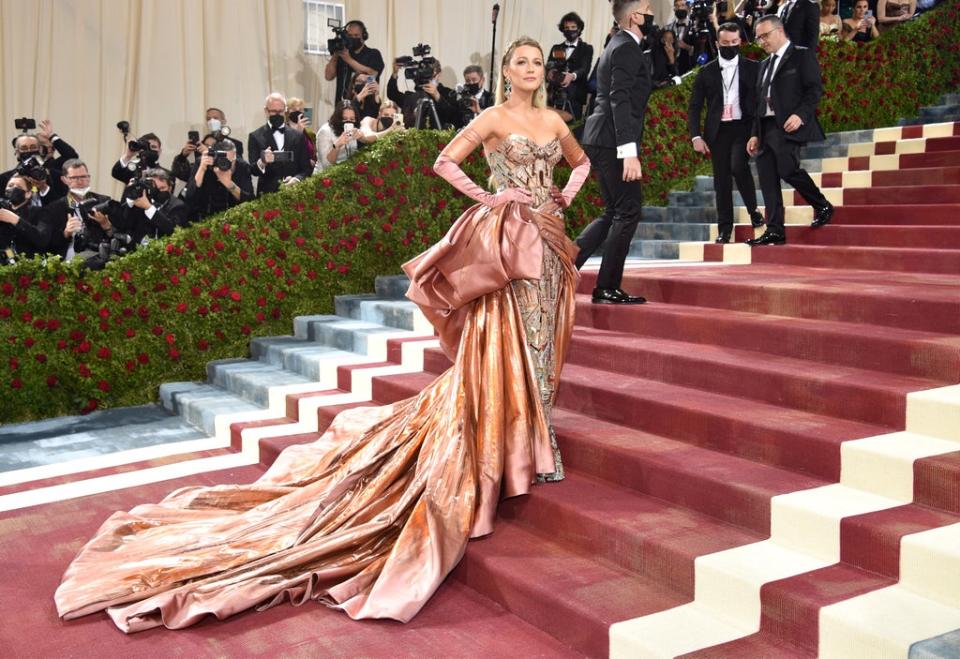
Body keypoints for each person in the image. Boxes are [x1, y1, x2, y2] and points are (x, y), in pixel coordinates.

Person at [54, 36, 592, 634]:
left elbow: (582, 162)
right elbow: (443, 162)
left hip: (549, 236)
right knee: (507, 338)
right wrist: (494, 195)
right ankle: (515, 443)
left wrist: (562, 197)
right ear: (505, 71)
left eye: (537, 63)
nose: (529, 69)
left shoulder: (553, 118)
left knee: (547, 335)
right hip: (506, 237)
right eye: (519, 61)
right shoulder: (492, 117)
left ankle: (538, 439)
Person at [575, 0, 653, 305]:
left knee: (614, 210)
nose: (651, 14)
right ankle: (606, 286)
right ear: (635, 16)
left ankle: (566, 267)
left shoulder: (618, 44)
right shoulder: (625, 47)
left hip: (602, 136)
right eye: (647, 8)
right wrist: (629, 151)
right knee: (628, 210)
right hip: (611, 139)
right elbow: (620, 100)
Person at [747, 15, 833, 246]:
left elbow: (814, 90)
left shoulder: (801, 55)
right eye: (758, 38)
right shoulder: (763, 65)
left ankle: (821, 204)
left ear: (780, 30)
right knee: (766, 178)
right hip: (764, 127)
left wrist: (800, 115)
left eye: (765, 36)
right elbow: (758, 103)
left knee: (786, 169)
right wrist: (754, 133)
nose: (762, 42)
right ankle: (775, 230)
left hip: (786, 125)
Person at [689, 23, 764, 244]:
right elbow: (694, 106)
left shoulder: (753, 68)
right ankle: (725, 229)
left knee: (738, 166)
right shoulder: (706, 72)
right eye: (725, 43)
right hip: (717, 131)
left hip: (743, 127)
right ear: (716, 44)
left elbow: (760, 103)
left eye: (734, 43)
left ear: (740, 42)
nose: (730, 46)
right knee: (721, 180)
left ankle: (753, 211)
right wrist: (696, 136)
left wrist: (756, 132)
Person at [42, 159, 121, 265]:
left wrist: (106, 225)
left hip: (99, 263)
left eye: (84, 177)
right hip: (65, 266)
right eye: (74, 178)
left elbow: (119, 237)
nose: (80, 181)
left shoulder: (104, 202)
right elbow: (47, 244)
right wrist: (66, 233)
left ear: (89, 178)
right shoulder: (54, 208)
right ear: (64, 179)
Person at [247, 93, 313, 196]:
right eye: (273, 111)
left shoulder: (298, 136)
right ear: (266, 111)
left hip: (295, 194)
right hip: (267, 195)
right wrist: (262, 161)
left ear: (285, 110)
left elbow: (307, 168)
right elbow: (252, 170)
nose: (277, 114)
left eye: (281, 111)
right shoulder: (255, 136)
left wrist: (297, 179)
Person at [184, 139, 254, 221]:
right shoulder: (203, 163)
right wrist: (202, 169)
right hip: (206, 218)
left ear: (235, 156)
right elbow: (190, 198)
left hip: (234, 218)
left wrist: (229, 184)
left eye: (230, 162)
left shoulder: (241, 166)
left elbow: (250, 201)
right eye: (222, 160)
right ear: (214, 156)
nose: (225, 165)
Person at [117, 168, 189, 246]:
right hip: (136, 250)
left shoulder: (178, 205)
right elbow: (125, 225)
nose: (158, 191)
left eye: (162, 188)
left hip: (162, 251)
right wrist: (130, 201)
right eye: (155, 188)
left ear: (170, 188)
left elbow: (172, 230)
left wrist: (148, 207)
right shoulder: (142, 198)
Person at [546, 12, 594, 120]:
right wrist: (551, 73)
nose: (570, 30)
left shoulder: (586, 48)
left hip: (575, 98)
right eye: (566, 28)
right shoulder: (556, 48)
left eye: (573, 27)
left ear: (579, 29)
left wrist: (572, 76)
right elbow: (549, 66)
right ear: (563, 30)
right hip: (554, 97)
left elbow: (584, 69)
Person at [387, 57, 458, 129]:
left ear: (439, 74)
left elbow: (452, 116)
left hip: (437, 136)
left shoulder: (448, 93)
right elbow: (392, 94)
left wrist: (437, 96)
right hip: (411, 137)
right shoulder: (412, 97)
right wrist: (395, 73)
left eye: (429, 72)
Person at [324, 20, 385, 101]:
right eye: (349, 35)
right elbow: (328, 76)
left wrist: (348, 59)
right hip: (342, 106)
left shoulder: (373, 53)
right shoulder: (343, 54)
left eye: (356, 35)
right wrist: (335, 54)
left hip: (365, 108)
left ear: (364, 36)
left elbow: (373, 74)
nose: (352, 38)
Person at [0, 174, 49, 261]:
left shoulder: (40, 212)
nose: (13, 188)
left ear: (28, 193)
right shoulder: (2, 210)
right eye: (10, 185)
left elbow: (42, 240)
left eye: (18, 186)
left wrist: (16, 220)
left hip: (30, 266)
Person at [313, 101, 363, 173]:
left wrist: (362, 137)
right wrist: (337, 146)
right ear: (338, 118)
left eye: (352, 119)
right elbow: (326, 165)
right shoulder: (325, 131)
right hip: (325, 176)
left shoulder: (353, 129)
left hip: (345, 174)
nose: (348, 122)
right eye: (344, 118)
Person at [665, 0, 695, 74]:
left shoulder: (694, 26)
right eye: (677, 6)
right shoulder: (668, 27)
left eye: (682, 5)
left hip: (689, 67)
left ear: (687, 7)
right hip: (672, 67)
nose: (680, 8)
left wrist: (686, 47)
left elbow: (700, 50)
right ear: (674, 8)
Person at [286, 97, 318, 164]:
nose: (298, 111)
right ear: (287, 111)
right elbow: (288, 154)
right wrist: (298, 133)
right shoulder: (283, 130)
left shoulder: (308, 131)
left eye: (300, 109)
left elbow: (312, 151)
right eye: (294, 109)